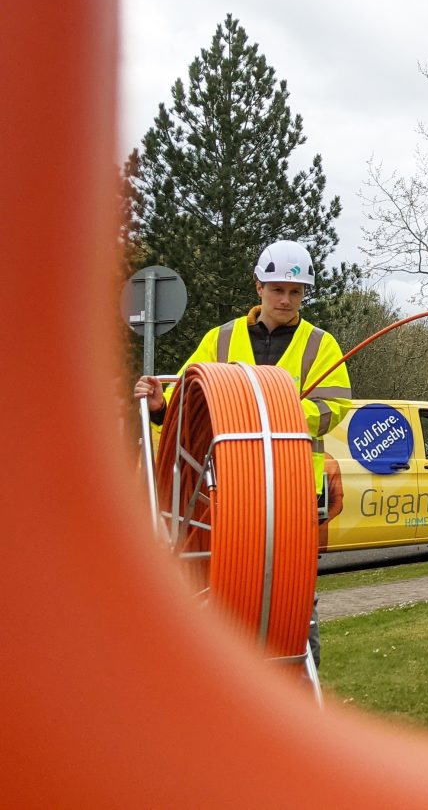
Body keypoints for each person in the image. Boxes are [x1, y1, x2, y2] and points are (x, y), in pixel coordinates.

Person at [134, 239, 352, 667]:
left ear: (305, 294)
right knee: (226, 591)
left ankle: (300, 681)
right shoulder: (221, 338)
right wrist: (161, 407)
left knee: (293, 600)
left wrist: (263, 413)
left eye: (295, 292)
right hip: (225, 492)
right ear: (258, 287)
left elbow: (334, 407)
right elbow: (189, 401)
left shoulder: (320, 344)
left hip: (291, 493)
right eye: (277, 290)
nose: (286, 300)